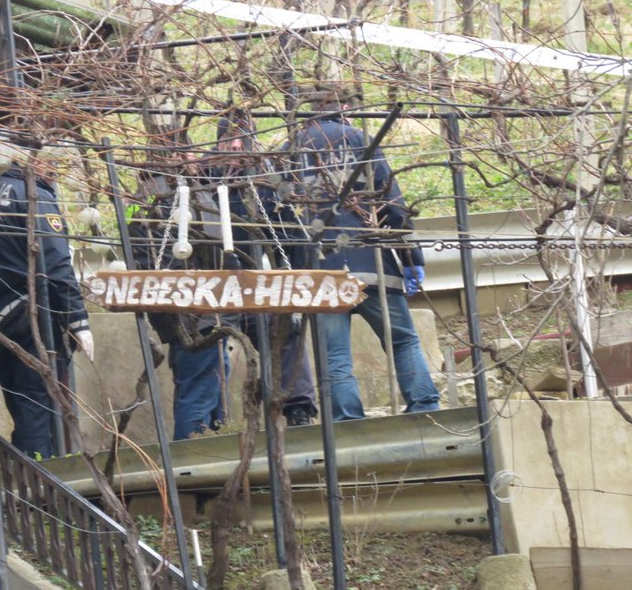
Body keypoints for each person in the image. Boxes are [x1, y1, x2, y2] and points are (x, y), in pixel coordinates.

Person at [284, 93, 440, 421]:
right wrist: (411, 259)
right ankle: (425, 408)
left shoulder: (292, 149)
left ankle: (348, 420)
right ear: (344, 110)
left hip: (320, 272)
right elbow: (391, 204)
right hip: (371, 264)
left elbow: (282, 215)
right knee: (402, 341)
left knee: (335, 354)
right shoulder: (361, 140)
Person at [0, 159, 94, 459]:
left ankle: (31, 476)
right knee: (39, 408)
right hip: (29, 321)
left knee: (26, 407)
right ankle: (42, 486)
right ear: (34, 161)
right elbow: (56, 262)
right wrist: (77, 320)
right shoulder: (31, 193)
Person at [210, 116, 319, 427]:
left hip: (264, 279)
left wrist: (297, 282)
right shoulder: (203, 180)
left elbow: (293, 236)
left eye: (241, 138)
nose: (234, 145)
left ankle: (297, 409)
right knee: (213, 346)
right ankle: (212, 421)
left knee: (286, 335)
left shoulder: (269, 182)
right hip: (218, 285)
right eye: (228, 139)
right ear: (216, 145)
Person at [130, 162, 239, 440]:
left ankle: (210, 457)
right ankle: (191, 463)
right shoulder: (173, 201)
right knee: (199, 394)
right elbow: (167, 263)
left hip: (190, 316)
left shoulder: (147, 203)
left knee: (207, 390)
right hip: (197, 314)